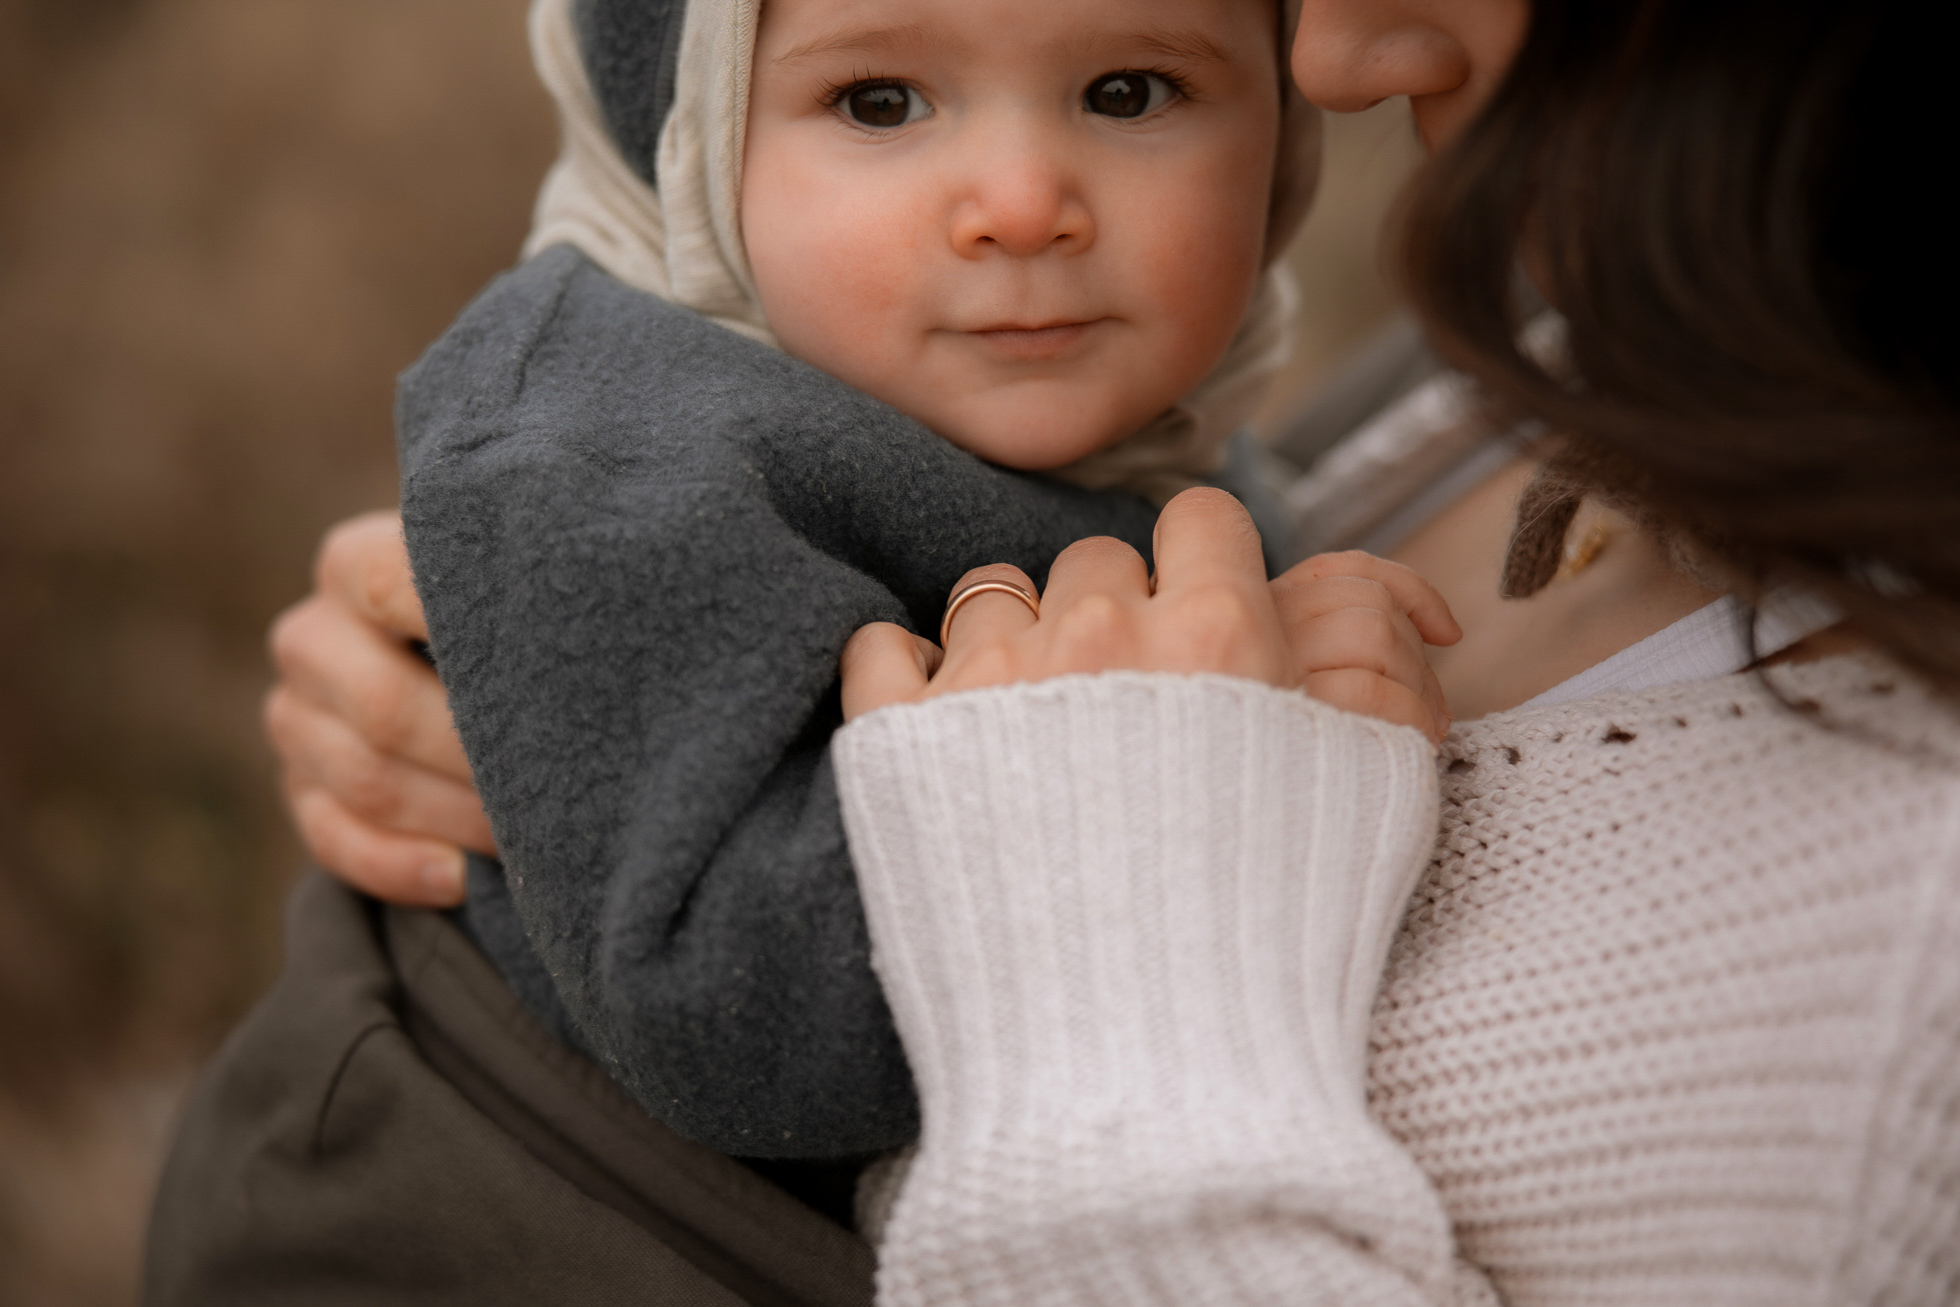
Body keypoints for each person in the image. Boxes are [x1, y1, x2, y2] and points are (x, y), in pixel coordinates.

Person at [256, 0, 1960, 1301]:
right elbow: (723, 1015)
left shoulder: (1896, 998)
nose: (1020, 202)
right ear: (687, 141)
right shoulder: (606, 446)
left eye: (1129, 91)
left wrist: (1228, 759)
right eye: (879, 99)